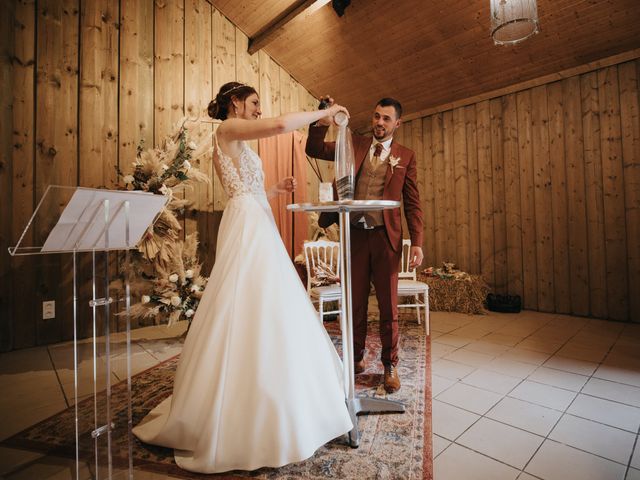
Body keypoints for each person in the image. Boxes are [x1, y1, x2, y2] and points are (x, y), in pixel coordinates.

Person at [133, 82, 353, 474]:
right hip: (247, 225)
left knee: (263, 301)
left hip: (254, 217)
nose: (257, 110)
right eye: (253, 103)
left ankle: (282, 390)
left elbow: (243, 189)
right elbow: (283, 123)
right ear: (235, 103)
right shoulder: (226, 129)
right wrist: (322, 115)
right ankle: (242, 403)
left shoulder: (236, 140)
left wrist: (271, 189)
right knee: (249, 298)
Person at [305, 96, 424, 394]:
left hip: (386, 240)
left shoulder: (406, 156)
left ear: (398, 123)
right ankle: (355, 359)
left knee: (388, 307)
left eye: (386, 118)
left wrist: (418, 243)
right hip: (355, 236)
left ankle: (390, 365)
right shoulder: (353, 144)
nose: (379, 123)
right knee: (355, 303)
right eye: (376, 116)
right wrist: (321, 119)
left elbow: (412, 204)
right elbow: (314, 149)